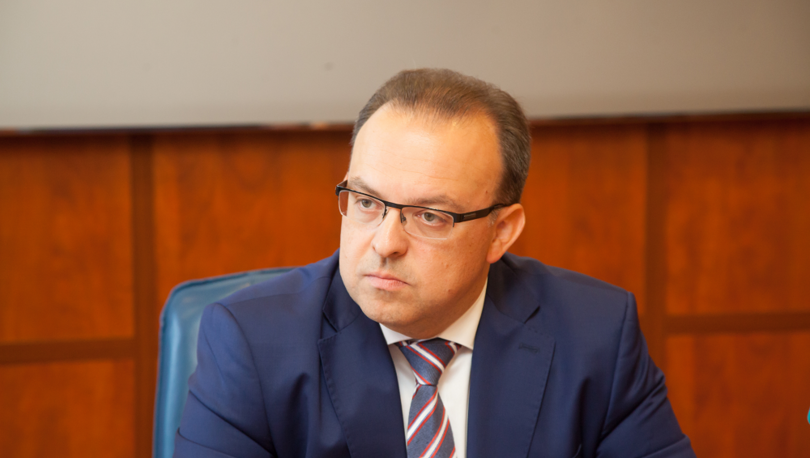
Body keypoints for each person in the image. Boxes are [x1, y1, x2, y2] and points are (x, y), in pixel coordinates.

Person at [174, 69, 696, 458]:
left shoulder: (597, 336)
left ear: (501, 231)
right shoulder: (251, 344)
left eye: (429, 216)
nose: (385, 243)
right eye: (367, 202)